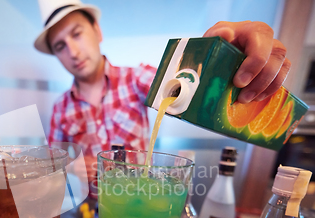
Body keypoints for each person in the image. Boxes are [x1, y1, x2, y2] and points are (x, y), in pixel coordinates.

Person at [34, 0, 291, 183]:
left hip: (133, 203)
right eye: (60, 46)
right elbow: (50, 170)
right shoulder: (61, 108)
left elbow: (188, 89)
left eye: (77, 34)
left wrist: (224, 68)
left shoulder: (135, 79)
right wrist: (70, 170)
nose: (73, 52)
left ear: (97, 31)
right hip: (84, 216)